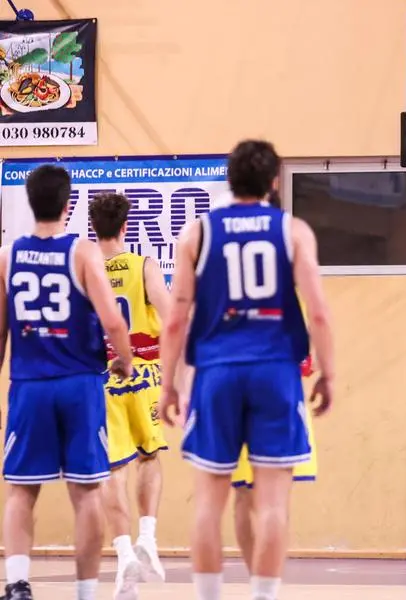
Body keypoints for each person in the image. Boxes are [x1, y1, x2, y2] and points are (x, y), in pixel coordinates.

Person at [158, 140, 335, 600]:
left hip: (216, 372)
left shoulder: (197, 234)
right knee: (273, 503)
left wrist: (167, 386)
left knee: (208, 503)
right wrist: (329, 372)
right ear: (275, 182)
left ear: (229, 179)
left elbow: (176, 318)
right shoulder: (293, 231)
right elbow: (318, 311)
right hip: (275, 371)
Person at [0, 165, 133, 600]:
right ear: (68, 203)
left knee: (21, 490)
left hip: (30, 384)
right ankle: (86, 591)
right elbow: (113, 321)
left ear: (29, 200)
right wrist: (126, 362)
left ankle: (17, 583)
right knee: (87, 491)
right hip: (79, 383)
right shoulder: (83, 253)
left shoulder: (7, 255)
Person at [87, 193, 170, 599]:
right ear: (125, 226)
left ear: (93, 228)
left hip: (101, 378)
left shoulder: (84, 269)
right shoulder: (143, 266)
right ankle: (148, 539)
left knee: (112, 469)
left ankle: (123, 557)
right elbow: (171, 319)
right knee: (150, 456)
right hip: (145, 372)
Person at [230, 354, 318, 571]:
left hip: (232, 396)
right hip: (279, 394)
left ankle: (256, 579)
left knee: (242, 495)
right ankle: (266, 587)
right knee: (276, 500)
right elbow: (308, 364)